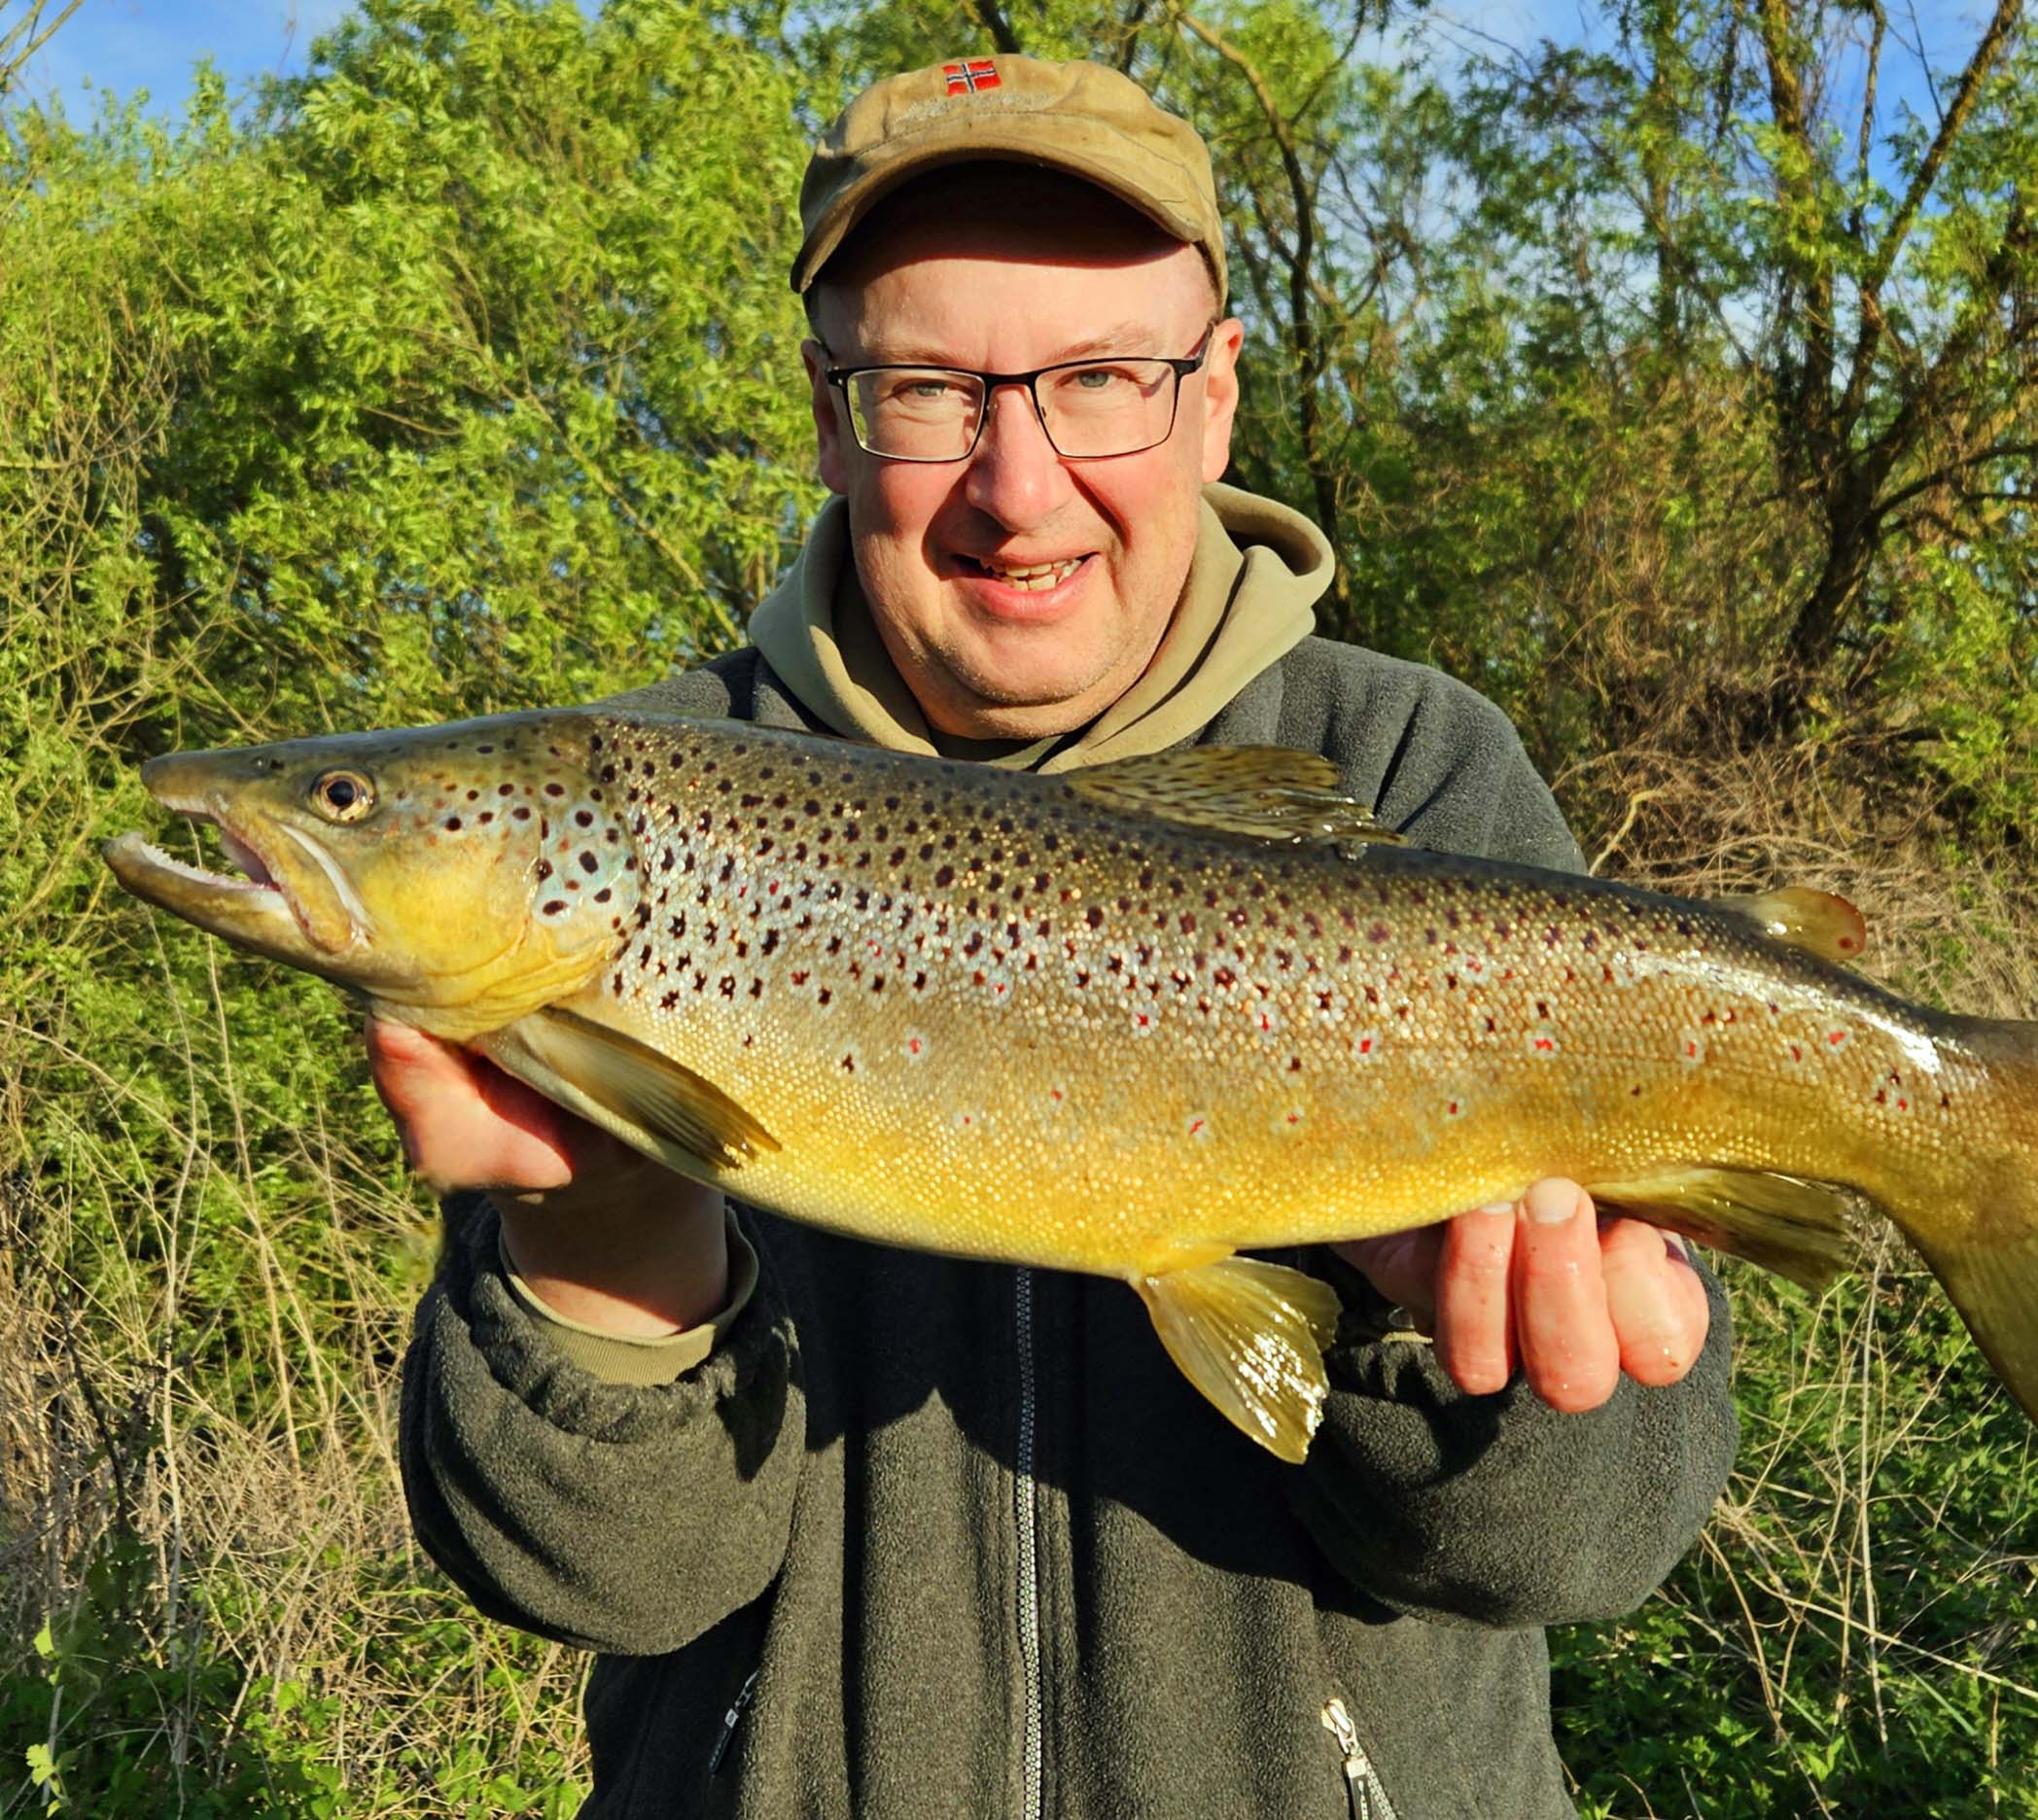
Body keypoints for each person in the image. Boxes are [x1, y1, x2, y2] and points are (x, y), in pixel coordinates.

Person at [386, 54, 1737, 1818]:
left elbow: (1592, 1542)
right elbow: (597, 1587)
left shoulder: (1413, 771)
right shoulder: (646, 814)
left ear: (1218, 399)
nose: (1018, 488)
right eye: (933, 391)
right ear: (826, 409)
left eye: (1102, 380)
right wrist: (608, 1217)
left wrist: (1403, 1326)